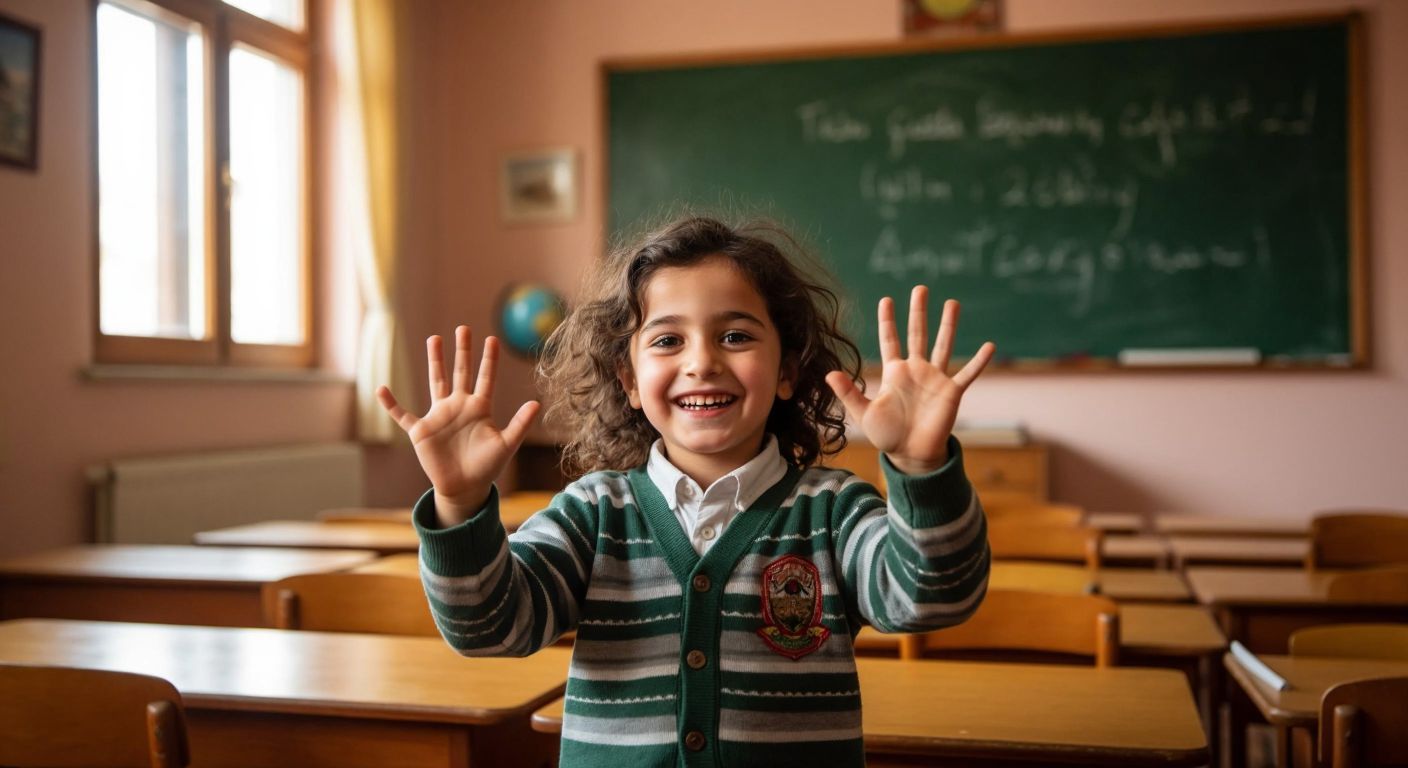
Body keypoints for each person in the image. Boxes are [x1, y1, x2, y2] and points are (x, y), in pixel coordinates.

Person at [377, 216, 995, 768]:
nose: (702, 362)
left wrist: (921, 465)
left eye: (735, 337)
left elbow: (932, 599)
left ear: (786, 371)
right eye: (668, 340)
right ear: (629, 381)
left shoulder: (832, 512)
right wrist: (458, 503)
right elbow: (491, 628)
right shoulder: (595, 512)